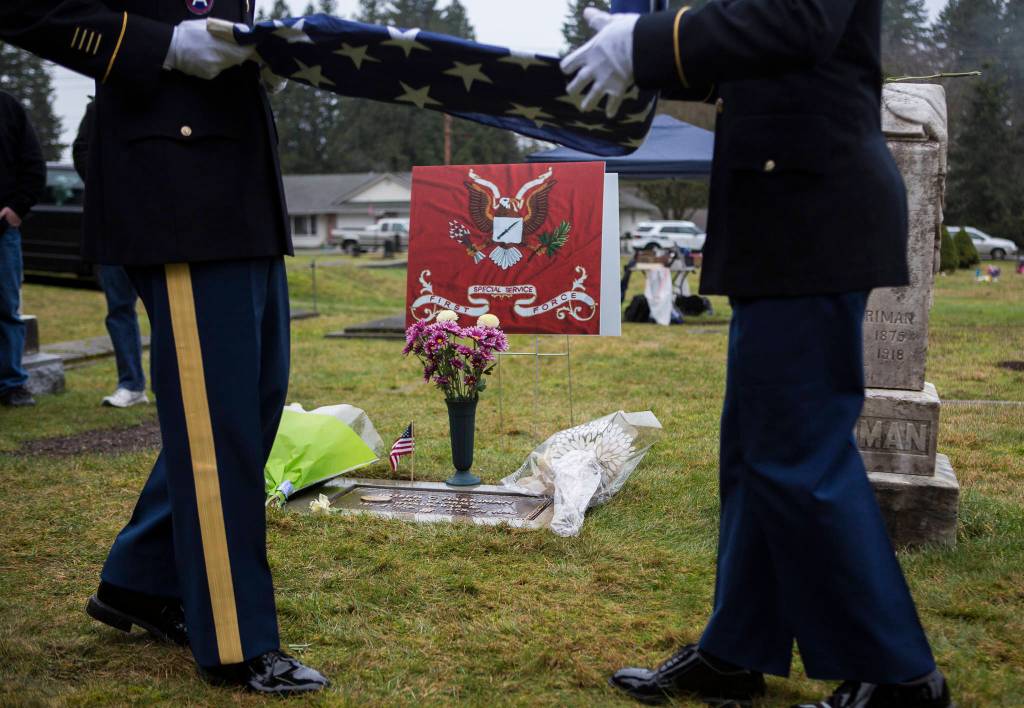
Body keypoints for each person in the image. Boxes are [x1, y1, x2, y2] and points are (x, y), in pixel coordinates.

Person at [562, 4, 951, 708]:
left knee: (800, 453)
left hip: (813, 209)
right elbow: (769, 56)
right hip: (784, 211)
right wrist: (651, 56)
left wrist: (652, 41)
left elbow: (796, 22)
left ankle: (899, 675)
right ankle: (736, 650)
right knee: (755, 452)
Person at [0, 2, 326, 695]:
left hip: (239, 184)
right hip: (178, 189)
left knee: (252, 405)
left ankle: (139, 581)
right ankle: (236, 642)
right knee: (222, 423)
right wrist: (162, 46)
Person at [72, 100, 148, 409]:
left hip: (156, 226)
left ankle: (176, 385)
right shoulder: (97, 109)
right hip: (113, 227)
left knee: (170, 311)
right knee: (119, 309)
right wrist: (113, 179)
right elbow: (81, 153)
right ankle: (131, 385)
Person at [0, 90, 46, 408]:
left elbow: (34, 166)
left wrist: (16, 208)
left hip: (2, 232)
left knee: (5, 309)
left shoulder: (8, 107)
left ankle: (11, 384)